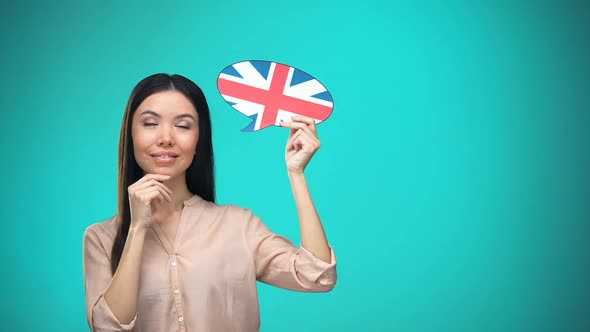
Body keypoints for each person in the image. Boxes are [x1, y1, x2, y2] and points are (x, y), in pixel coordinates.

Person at [82, 73, 337, 331]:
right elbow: (107, 327)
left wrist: (297, 173)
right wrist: (137, 228)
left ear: (199, 139)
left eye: (183, 125)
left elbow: (317, 275)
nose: (166, 137)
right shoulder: (101, 238)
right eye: (150, 123)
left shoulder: (238, 226)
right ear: (131, 134)